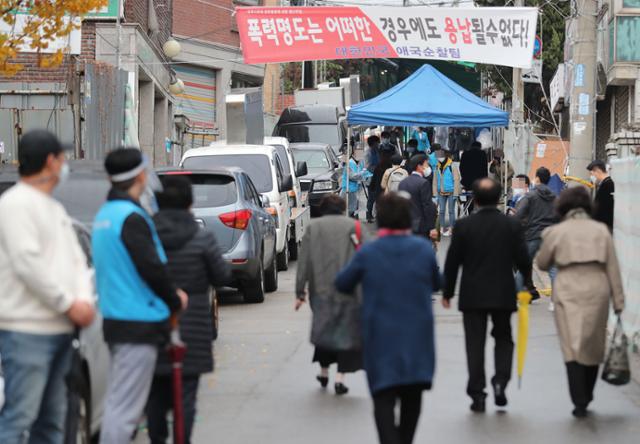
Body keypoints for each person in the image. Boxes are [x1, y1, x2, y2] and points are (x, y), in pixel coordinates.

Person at [0, 130, 96, 444]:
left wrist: (82, 299)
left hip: (60, 330)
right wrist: (69, 303)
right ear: (50, 162)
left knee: (52, 423)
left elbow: (77, 264)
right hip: (26, 331)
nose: (65, 164)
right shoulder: (14, 205)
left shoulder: (54, 210)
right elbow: (28, 263)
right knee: (19, 419)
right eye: (62, 157)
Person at [93, 148, 188, 444]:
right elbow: (152, 268)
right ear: (140, 175)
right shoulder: (131, 218)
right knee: (126, 410)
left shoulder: (104, 215)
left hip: (115, 319)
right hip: (138, 321)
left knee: (118, 402)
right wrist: (175, 299)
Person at [335, 193, 438, 444]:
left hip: (379, 336)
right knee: (413, 397)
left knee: (383, 396)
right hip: (417, 337)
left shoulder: (368, 252)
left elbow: (342, 283)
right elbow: (438, 282)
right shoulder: (423, 249)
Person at [146, 175, 231, 443]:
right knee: (186, 393)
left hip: (152, 321)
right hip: (193, 325)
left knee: (155, 392)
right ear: (189, 202)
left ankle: (157, 438)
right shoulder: (202, 237)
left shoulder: (146, 236)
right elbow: (221, 276)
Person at [443, 178, 532, 413]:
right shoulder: (511, 225)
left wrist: (448, 291)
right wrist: (527, 284)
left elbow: (453, 261)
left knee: (475, 343)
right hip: (503, 292)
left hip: (472, 294)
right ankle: (501, 382)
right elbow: (523, 259)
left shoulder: (464, 226)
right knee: (503, 338)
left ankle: (477, 393)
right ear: (498, 197)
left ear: (476, 199)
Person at [536, 187, 625, 418]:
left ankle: (579, 400)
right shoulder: (601, 230)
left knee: (571, 345)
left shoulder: (556, 231)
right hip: (598, 287)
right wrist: (619, 300)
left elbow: (543, 263)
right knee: (593, 344)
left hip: (566, 288)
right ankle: (588, 392)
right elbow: (613, 266)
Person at [295, 195, 365, 395]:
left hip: (320, 290)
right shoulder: (355, 227)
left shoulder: (312, 228)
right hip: (349, 291)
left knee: (325, 330)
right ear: (342, 207)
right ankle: (340, 379)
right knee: (346, 333)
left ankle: (324, 372)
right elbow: (369, 254)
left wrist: (300, 292)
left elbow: (303, 262)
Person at [514, 167, 556, 302]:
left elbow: (519, 214)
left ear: (537, 178)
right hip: (549, 234)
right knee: (552, 267)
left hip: (532, 234)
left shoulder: (530, 195)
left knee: (524, 265)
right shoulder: (554, 196)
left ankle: (518, 294)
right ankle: (557, 298)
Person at [398, 154, 438, 241]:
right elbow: (427, 206)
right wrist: (432, 227)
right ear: (419, 166)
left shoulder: (403, 183)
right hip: (421, 227)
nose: (428, 167)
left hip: (406, 225)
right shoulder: (423, 183)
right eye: (426, 165)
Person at [433, 148, 461, 237]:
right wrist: (435, 194)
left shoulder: (451, 166)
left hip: (451, 192)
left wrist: (456, 194)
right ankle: (441, 227)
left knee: (451, 211)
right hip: (440, 191)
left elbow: (456, 180)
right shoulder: (437, 167)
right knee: (441, 211)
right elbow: (435, 181)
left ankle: (451, 228)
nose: (438, 159)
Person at [587, 160, 615, 232]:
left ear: (598, 170)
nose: (591, 177)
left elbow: (603, 208)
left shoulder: (608, 185)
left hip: (606, 227)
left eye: (592, 174)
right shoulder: (604, 184)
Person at [342, 149, 368, 218]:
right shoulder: (350, 163)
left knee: (354, 208)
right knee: (350, 209)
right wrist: (363, 173)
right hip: (349, 189)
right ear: (353, 155)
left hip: (354, 189)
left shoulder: (358, 163)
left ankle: (353, 222)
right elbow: (352, 176)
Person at [367, 154, 393, 223]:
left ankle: (376, 217)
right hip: (386, 189)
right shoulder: (390, 168)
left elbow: (374, 178)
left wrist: (372, 187)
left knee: (376, 203)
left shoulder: (378, 167)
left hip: (378, 189)